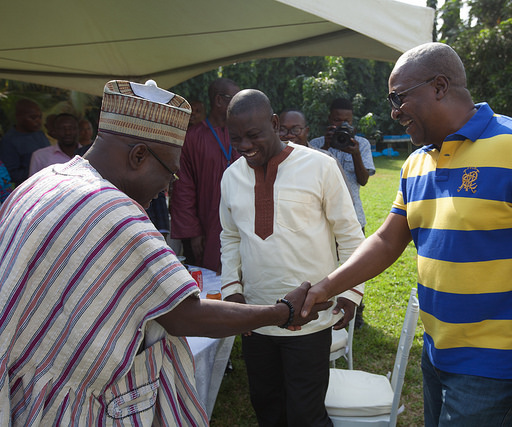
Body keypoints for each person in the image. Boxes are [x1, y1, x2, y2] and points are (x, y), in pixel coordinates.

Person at [300, 42, 512, 427]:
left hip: (498, 367)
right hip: (436, 353)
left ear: (440, 86)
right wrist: (325, 288)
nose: (394, 112)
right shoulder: (417, 162)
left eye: (399, 98)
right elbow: (387, 239)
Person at [0, 80, 330, 426]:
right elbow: (185, 315)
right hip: (62, 408)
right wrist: (283, 312)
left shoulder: (46, 180)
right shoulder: (112, 212)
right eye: (169, 173)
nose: (165, 189)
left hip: (24, 385)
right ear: (139, 155)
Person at [221, 89, 364, 427]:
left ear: (274, 123)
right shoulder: (231, 176)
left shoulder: (320, 166)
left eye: (253, 135)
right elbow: (229, 236)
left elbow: (349, 235)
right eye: (236, 138)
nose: (243, 145)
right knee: (267, 407)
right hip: (256, 317)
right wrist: (233, 292)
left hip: (310, 318)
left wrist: (350, 292)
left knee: (306, 414)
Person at [309, 98, 376, 328]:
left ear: (352, 121)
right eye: (337, 120)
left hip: (353, 217)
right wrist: (326, 147)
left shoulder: (362, 144)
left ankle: (357, 313)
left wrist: (355, 152)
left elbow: (364, 179)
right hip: (322, 219)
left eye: (346, 120)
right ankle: (326, 309)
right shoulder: (316, 143)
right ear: (329, 119)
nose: (341, 125)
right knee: (326, 265)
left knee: (355, 267)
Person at [170, 78, 240, 273]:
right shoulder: (193, 138)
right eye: (235, 99)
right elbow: (183, 188)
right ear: (219, 101)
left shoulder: (244, 134)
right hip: (207, 223)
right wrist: (192, 232)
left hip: (242, 220)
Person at [0, 98, 50, 186]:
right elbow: (11, 174)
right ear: (18, 117)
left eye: (40, 117)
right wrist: (39, 169)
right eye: (33, 117)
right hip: (28, 189)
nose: (38, 121)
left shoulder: (40, 134)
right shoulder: (9, 141)